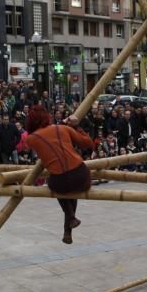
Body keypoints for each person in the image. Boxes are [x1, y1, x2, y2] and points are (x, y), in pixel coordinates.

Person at [24, 103, 93, 244]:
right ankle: (68, 229)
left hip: (60, 182)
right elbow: (87, 143)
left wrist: (63, 124)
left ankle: (71, 218)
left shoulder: (30, 139)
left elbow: (44, 136)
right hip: (81, 175)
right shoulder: (63, 129)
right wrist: (75, 126)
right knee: (72, 190)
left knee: (57, 185)